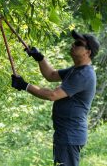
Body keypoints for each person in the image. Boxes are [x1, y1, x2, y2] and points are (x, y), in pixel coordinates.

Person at [11, 30, 100, 166]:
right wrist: (40, 58)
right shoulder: (75, 70)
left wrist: (25, 85)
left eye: (78, 44)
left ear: (88, 52)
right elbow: (51, 75)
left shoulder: (84, 74)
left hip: (70, 135)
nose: (73, 45)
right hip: (65, 134)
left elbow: (53, 95)